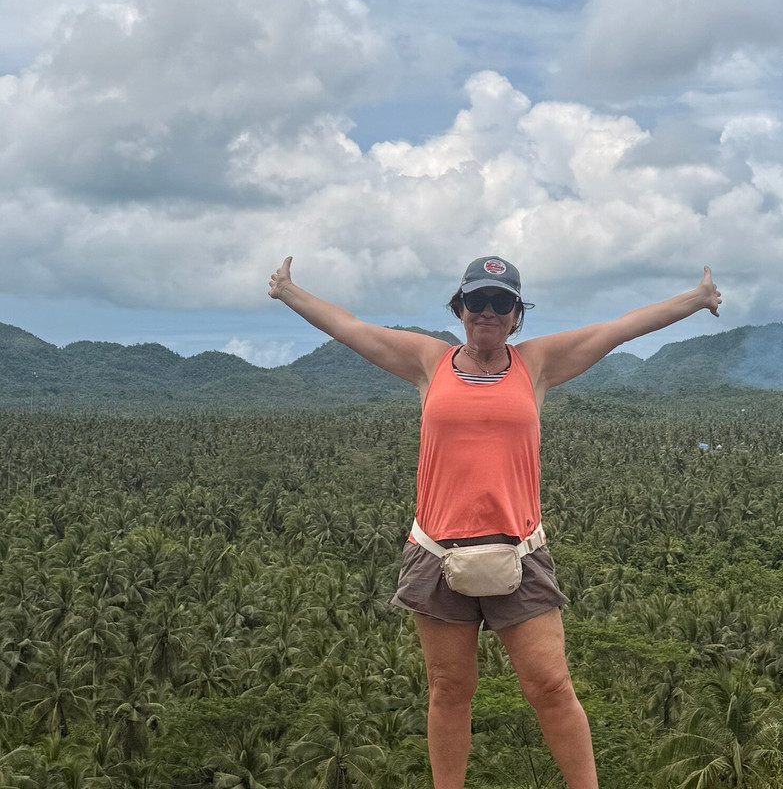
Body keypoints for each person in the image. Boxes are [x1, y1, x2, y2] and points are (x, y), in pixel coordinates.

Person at [269, 255, 721, 789]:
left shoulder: (537, 365)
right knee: (448, 689)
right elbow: (353, 330)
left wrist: (696, 300)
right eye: (476, 300)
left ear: (516, 315)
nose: (487, 311)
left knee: (552, 687)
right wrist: (288, 291)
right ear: (459, 308)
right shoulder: (428, 361)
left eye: (500, 302)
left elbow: (617, 329)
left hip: (520, 551)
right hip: (435, 553)